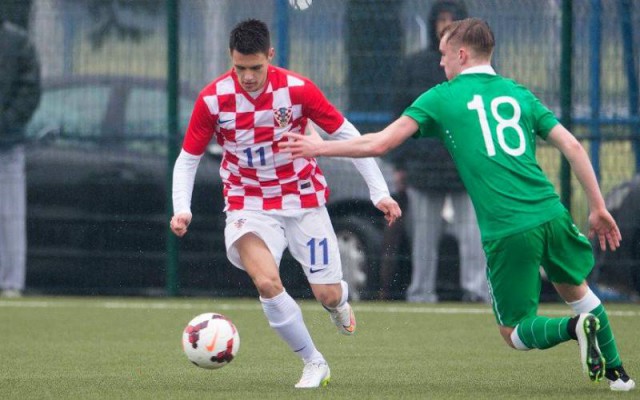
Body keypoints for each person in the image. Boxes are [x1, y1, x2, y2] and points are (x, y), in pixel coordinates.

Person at [281, 18, 635, 391]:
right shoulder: (519, 93)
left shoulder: (443, 97)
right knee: (578, 292)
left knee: (514, 332)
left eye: (444, 54)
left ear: (461, 55)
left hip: (510, 226)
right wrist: (597, 207)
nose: (440, 62)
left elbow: (380, 143)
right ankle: (619, 375)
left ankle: (574, 329)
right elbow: (573, 146)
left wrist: (319, 147)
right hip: (551, 212)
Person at [170, 19, 401, 389]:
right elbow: (188, 159)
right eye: (240, 68)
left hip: (303, 201)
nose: (247, 77)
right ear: (231, 59)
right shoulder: (213, 99)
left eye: (255, 68)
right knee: (266, 282)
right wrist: (183, 207)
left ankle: (338, 301)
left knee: (326, 293)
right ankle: (313, 361)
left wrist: (379, 193)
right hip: (247, 203)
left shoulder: (297, 90)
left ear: (270, 56)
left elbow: (348, 135)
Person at [382, 0, 487, 303]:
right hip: (423, 167)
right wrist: (401, 163)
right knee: (423, 237)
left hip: (466, 168)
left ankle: (477, 292)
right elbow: (399, 117)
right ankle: (421, 292)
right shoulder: (413, 66)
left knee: (473, 235)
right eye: (441, 20)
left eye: (451, 20)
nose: (445, 26)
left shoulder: (477, 72)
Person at [0, 13, 41, 298]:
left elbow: (30, 89)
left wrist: (6, 122)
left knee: (11, 216)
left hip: (7, 143)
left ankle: (12, 283)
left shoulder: (17, 41)